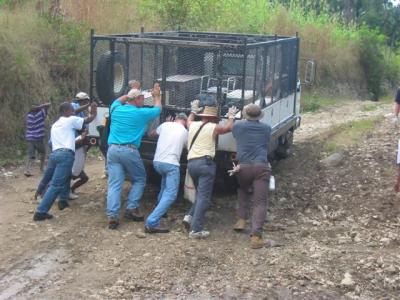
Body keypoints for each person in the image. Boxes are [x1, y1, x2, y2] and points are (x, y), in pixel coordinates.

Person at [106, 84, 161, 230]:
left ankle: (112, 216)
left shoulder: (116, 109)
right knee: (140, 179)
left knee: (114, 184)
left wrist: (132, 90)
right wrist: (156, 96)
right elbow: (158, 109)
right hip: (129, 150)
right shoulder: (141, 113)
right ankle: (131, 208)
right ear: (136, 99)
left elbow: (118, 100)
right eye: (142, 98)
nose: (143, 101)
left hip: (112, 150)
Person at [33, 102, 97, 221]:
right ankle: (41, 211)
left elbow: (69, 139)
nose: (74, 112)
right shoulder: (70, 120)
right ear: (67, 111)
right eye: (72, 110)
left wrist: (80, 138)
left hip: (55, 154)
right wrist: (93, 111)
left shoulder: (56, 124)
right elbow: (89, 119)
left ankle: (62, 201)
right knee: (56, 185)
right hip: (65, 155)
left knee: (64, 177)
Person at [182, 101, 238, 239]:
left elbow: (189, 119)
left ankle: (189, 216)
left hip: (191, 163)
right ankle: (196, 230)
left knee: (200, 194)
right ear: (213, 118)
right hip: (205, 164)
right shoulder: (214, 127)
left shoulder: (192, 125)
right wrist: (231, 116)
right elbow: (228, 128)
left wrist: (193, 111)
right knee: (204, 198)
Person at [231, 103, 273, 249]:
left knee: (243, 190)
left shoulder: (238, 126)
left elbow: (234, 134)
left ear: (245, 114)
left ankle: (241, 220)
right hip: (261, 166)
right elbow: (266, 142)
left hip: (243, 167)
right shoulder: (267, 128)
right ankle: (256, 237)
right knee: (260, 202)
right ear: (259, 115)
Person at [144, 113, 188, 233]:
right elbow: (188, 148)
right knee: (171, 194)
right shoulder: (185, 132)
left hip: (157, 162)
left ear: (176, 118)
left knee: (164, 187)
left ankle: (161, 211)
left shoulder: (165, 124)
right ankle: (152, 222)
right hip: (171, 164)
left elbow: (151, 134)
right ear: (185, 121)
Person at [24, 102, 51, 177]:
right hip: (38, 138)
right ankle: (41, 169)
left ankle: (27, 170)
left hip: (30, 138)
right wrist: (40, 106)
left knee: (30, 155)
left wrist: (36, 107)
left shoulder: (28, 116)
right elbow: (48, 105)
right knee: (43, 153)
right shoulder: (40, 114)